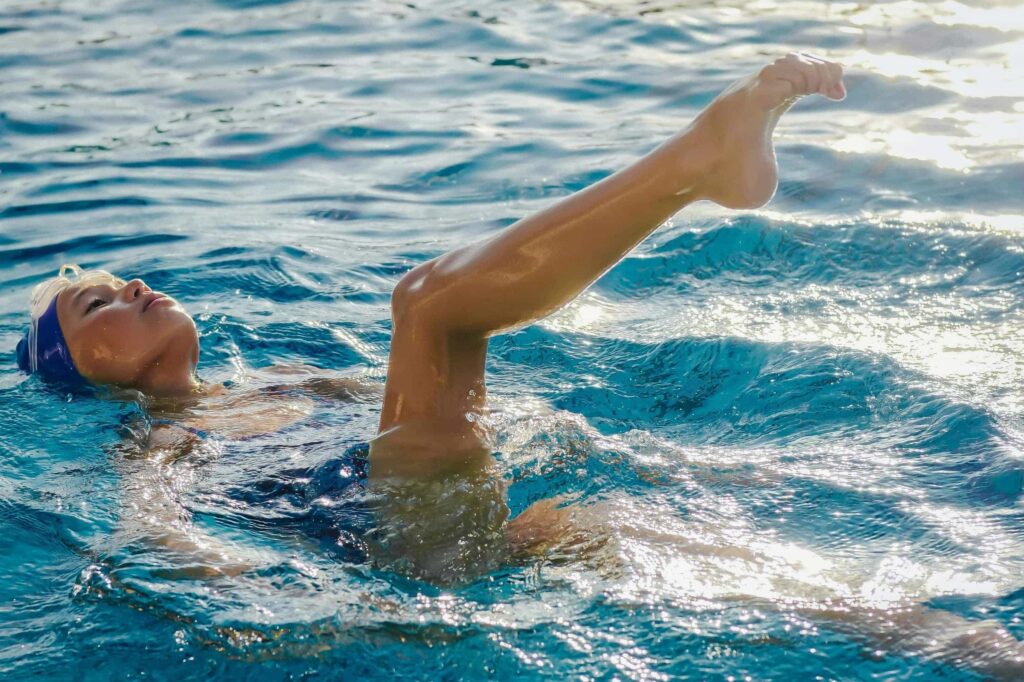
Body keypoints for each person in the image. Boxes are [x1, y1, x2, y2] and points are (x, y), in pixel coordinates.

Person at [15, 53, 1024, 676]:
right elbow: (159, 530)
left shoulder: (283, 386)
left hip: (452, 525)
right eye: (96, 302)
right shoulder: (161, 437)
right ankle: (694, 163)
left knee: (688, 552)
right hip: (390, 546)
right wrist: (233, 588)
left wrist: (650, 457)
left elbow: (457, 413)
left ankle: (971, 647)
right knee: (426, 304)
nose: (131, 286)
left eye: (124, 277)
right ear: (82, 373)